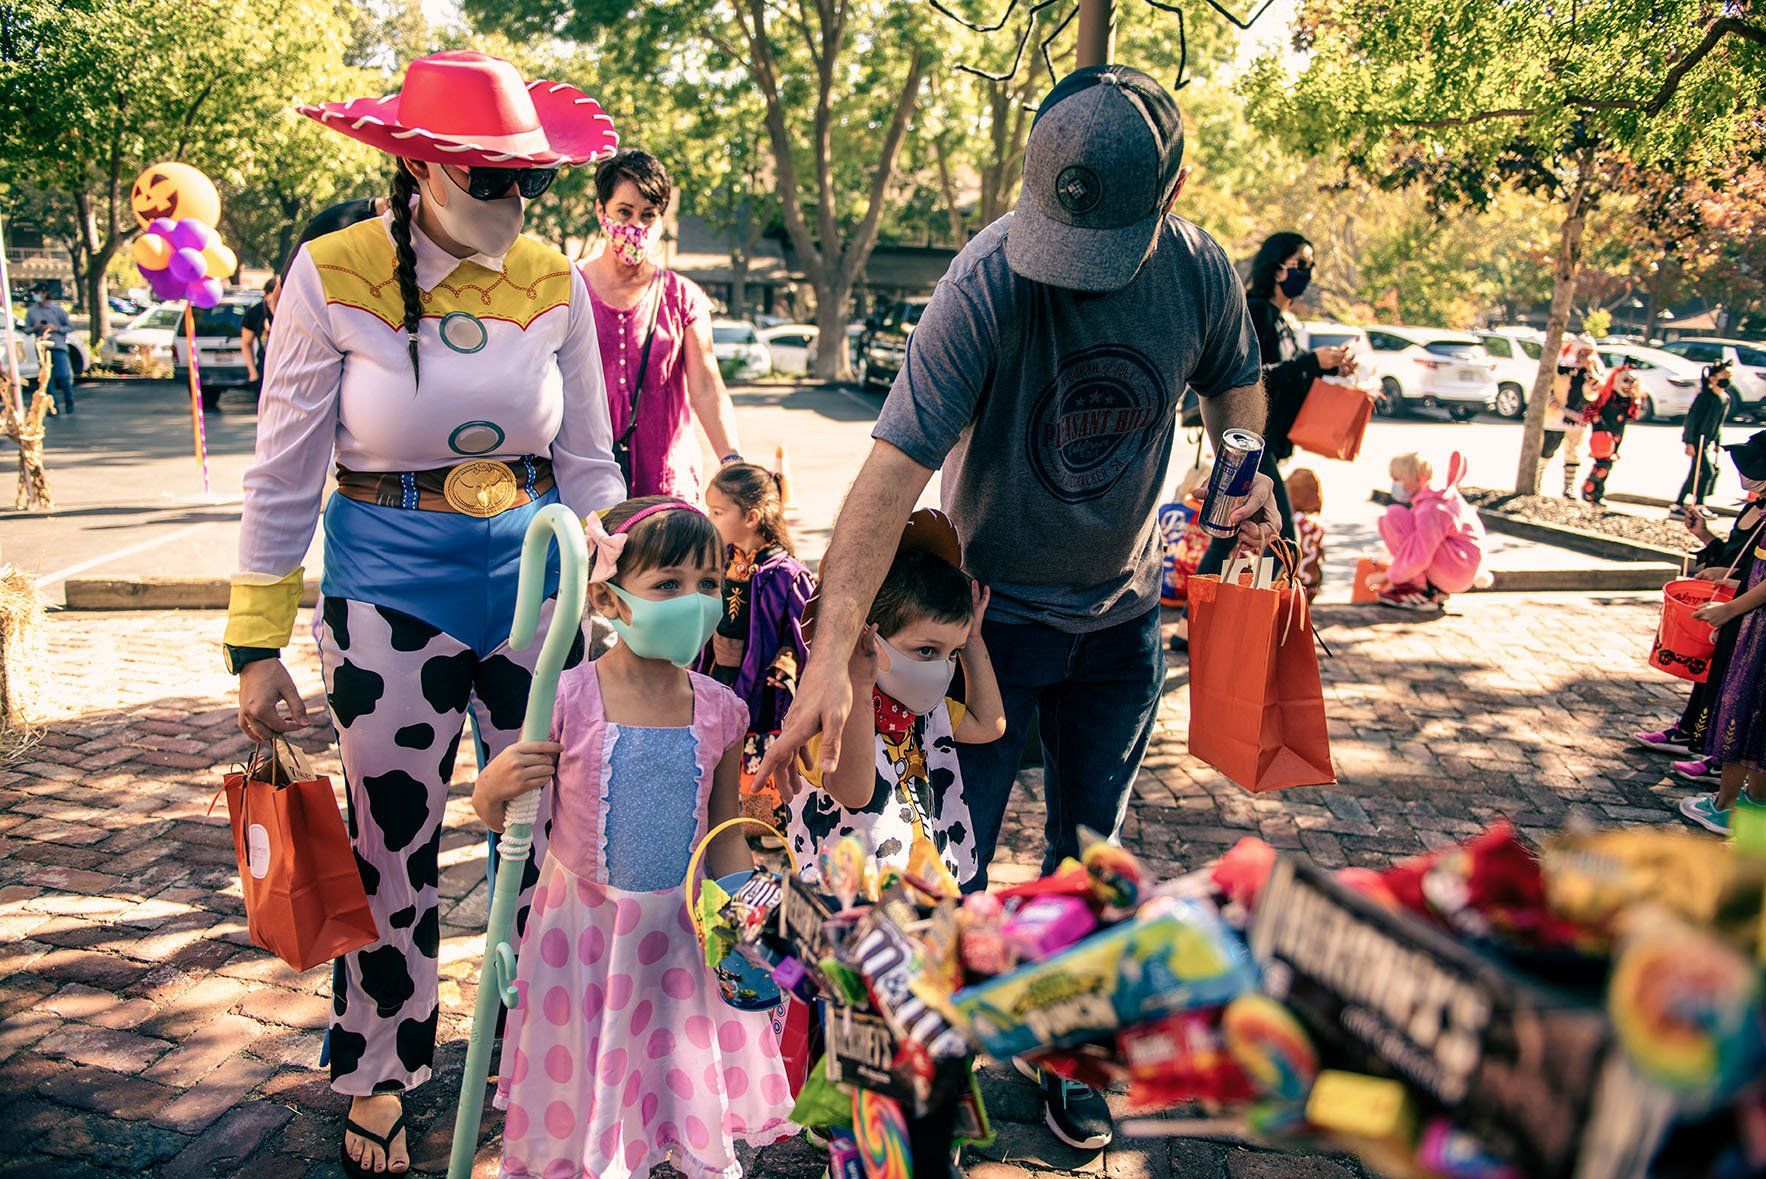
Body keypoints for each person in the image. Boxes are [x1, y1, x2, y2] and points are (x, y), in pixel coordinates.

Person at [754, 64, 1277, 1151]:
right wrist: (828, 653)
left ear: (1169, 195)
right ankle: (920, 1074)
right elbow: (890, 470)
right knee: (953, 864)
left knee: (1094, 861)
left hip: (1122, 622)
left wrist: (1239, 465)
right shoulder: (985, 280)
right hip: (988, 626)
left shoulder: (1197, 272)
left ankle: (1063, 1059)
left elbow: (1236, 378)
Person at [225, 51, 625, 1176]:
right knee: (388, 845)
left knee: (550, 843)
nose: (516, 203)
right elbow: (281, 473)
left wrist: (632, 550)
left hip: (534, 599)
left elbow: (588, 460)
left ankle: (538, 1053)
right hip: (384, 599)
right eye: (493, 182)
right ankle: (380, 1071)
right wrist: (255, 647)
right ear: (422, 170)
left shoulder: (552, 282)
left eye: (527, 182)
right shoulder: (331, 273)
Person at [474, 497, 796, 1178]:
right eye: (668, 584)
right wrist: (491, 786)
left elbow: (725, 829)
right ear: (610, 600)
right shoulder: (565, 698)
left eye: (709, 584)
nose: (695, 601)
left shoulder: (721, 710)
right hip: (585, 935)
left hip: (678, 934)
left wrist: (747, 917)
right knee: (588, 1077)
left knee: (667, 1070)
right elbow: (502, 822)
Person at [787, 511, 1004, 890]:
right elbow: (855, 792)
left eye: (949, 653)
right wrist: (857, 677)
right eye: (925, 650)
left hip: (918, 891)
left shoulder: (927, 712)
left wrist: (972, 642)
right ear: (868, 638)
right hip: (850, 907)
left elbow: (990, 726)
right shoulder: (826, 714)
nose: (941, 669)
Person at [580, 150, 742, 498]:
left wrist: (731, 461)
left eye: (648, 215)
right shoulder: (568, 288)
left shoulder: (683, 297)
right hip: (588, 482)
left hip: (669, 487)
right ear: (600, 210)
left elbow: (707, 387)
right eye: (624, 212)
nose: (635, 226)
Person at [1193, 232, 1354, 581]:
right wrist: (1311, 362)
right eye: (1302, 264)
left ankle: (1199, 632)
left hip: (1270, 445)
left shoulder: (1284, 322)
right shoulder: (1256, 312)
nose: (1307, 273)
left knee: (1233, 536)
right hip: (1249, 444)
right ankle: (1219, 630)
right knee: (1277, 542)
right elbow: (1249, 379)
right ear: (1278, 268)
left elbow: (1288, 381)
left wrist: (1327, 368)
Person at [700, 462, 815, 824]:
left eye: (717, 512)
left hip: (764, 693)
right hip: (720, 677)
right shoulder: (718, 563)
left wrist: (786, 670)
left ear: (751, 517)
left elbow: (804, 638)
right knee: (720, 749)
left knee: (755, 754)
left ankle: (761, 825)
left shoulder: (787, 576)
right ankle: (721, 817)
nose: (709, 518)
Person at [1673, 431, 1766, 831]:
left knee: (1744, 710)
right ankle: (1754, 807)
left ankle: (1726, 806)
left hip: (1760, 632)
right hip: (1755, 622)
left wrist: (1728, 610)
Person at [1371, 452, 1486, 611]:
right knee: (1392, 518)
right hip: (1462, 570)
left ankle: (1419, 591)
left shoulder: (1430, 508)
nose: (1394, 484)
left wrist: (1387, 576)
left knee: (1392, 516)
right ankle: (1431, 588)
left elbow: (1421, 554)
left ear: (1418, 478)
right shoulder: (1438, 498)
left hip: (1454, 571)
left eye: (1398, 479)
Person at [1542, 338, 1602, 498]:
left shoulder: (1593, 371)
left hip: (1577, 419)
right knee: (1547, 451)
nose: (1585, 356)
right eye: (1582, 352)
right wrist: (1551, 400)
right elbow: (1547, 385)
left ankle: (1568, 488)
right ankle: (1536, 482)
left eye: (1589, 353)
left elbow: (1594, 393)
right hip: (1555, 418)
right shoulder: (1561, 366)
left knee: (1573, 453)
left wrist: (1590, 371)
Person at [1580, 364, 1642, 505]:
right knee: (1603, 466)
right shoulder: (1606, 395)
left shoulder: (1629, 399)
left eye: (1633, 381)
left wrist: (1635, 402)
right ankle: (1589, 487)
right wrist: (1597, 422)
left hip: (1616, 435)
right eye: (1626, 380)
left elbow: (1633, 416)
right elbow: (1590, 409)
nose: (1630, 385)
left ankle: (1597, 494)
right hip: (1602, 434)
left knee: (1608, 466)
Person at [1677, 360, 1729, 513]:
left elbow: (1719, 423)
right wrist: (1688, 442)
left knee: (1695, 473)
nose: (1727, 377)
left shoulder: (1725, 399)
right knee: (1707, 472)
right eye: (1723, 375)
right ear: (1713, 379)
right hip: (1697, 441)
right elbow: (1691, 420)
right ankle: (1699, 504)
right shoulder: (1704, 397)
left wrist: (1718, 443)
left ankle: (1678, 503)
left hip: (1706, 442)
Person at [23, 284, 75, 415]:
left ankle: (69, 401)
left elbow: (69, 327)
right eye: (34, 293)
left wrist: (56, 328)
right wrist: (35, 327)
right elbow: (26, 329)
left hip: (58, 346)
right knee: (46, 379)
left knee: (63, 376)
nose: (35, 295)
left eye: (38, 292)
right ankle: (53, 407)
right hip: (42, 349)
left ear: (45, 293)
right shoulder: (32, 311)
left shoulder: (57, 309)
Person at [1286, 467, 1326, 603]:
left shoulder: (1288, 523)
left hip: (1289, 587)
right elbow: (1321, 555)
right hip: (1311, 587)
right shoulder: (1316, 527)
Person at [238, 276, 278, 400]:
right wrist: (253, 373)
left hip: (290, 370)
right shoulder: (256, 312)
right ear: (265, 296)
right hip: (265, 370)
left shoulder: (292, 310)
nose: (275, 307)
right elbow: (246, 342)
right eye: (271, 301)